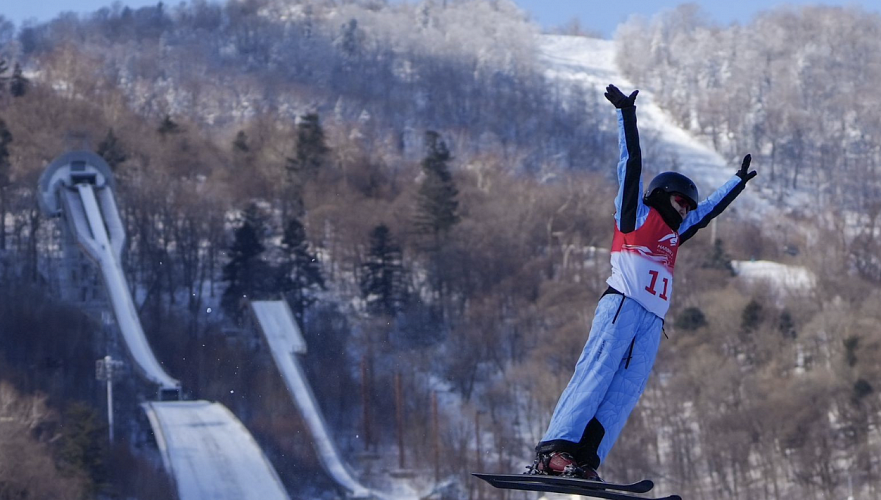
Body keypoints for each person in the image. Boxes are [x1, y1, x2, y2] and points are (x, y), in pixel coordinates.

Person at [529, 84, 757, 481]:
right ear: (661, 194)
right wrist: (626, 115)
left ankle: (583, 460)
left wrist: (736, 183)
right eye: (679, 201)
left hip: (651, 323)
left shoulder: (674, 235)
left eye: (687, 204)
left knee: (624, 392)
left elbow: (706, 215)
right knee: (597, 372)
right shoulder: (635, 214)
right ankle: (554, 452)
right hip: (621, 307)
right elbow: (630, 164)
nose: (684, 209)